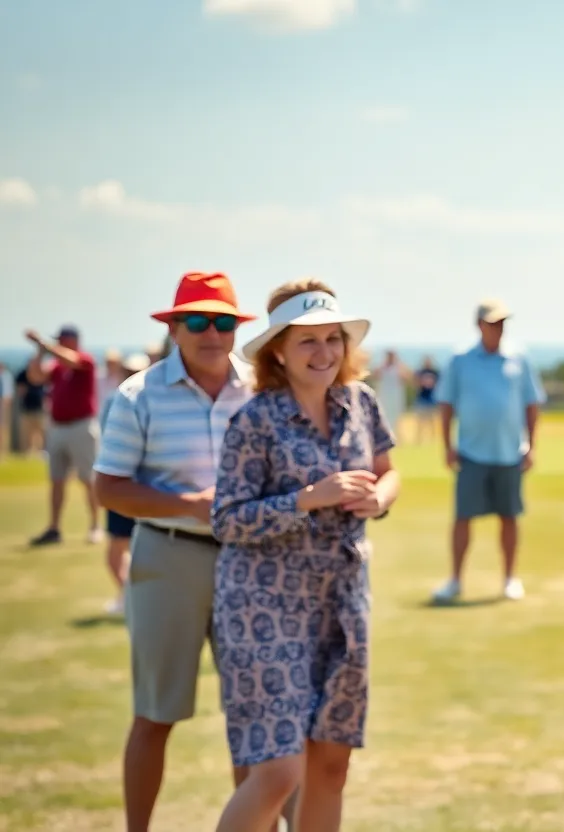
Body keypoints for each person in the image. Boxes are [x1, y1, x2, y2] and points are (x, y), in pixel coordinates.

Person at [210, 278, 398, 832]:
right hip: (264, 608)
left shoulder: (361, 402)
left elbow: (388, 472)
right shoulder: (254, 420)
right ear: (279, 352)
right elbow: (226, 520)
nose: (324, 354)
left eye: (332, 339)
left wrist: (376, 499)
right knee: (279, 770)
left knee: (332, 764)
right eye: (307, 342)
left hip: (342, 602)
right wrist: (308, 499)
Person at [92, 272, 264, 832]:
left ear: (238, 328)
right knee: (155, 714)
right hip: (168, 558)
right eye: (196, 321)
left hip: (251, 562)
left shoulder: (263, 388)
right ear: (173, 327)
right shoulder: (138, 395)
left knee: (254, 715)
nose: (210, 333)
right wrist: (191, 505)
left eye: (222, 322)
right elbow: (108, 487)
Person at [430, 299, 546, 604]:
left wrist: (532, 446)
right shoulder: (460, 359)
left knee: (509, 517)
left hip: (510, 453)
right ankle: (455, 580)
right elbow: (446, 404)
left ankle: (510, 578)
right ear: (479, 325)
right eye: (493, 322)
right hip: (470, 452)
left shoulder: (520, 358)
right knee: (463, 517)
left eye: (502, 322)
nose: (499, 328)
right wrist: (447, 446)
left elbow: (532, 404)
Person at [23, 324, 102, 546]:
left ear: (73, 340)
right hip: (58, 428)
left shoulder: (86, 360)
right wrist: (39, 352)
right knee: (57, 480)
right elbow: (36, 377)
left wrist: (43, 344)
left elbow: (71, 359)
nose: (58, 343)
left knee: (88, 479)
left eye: (62, 340)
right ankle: (54, 528)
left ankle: (96, 526)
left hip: (81, 426)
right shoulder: (56, 366)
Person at [97, 352, 152, 616]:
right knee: (118, 549)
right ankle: (128, 596)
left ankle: (135, 599)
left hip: (147, 489)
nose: (133, 374)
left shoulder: (152, 397)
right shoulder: (118, 400)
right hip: (125, 486)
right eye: (129, 370)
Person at [371, 348, 410, 438]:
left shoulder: (398, 367)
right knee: (384, 415)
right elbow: (375, 376)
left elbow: (406, 378)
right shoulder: (383, 367)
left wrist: (399, 365)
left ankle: (396, 436)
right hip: (384, 396)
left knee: (396, 416)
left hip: (396, 396)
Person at [14, 364, 46, 454]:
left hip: (39, 409)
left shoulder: (42, 373)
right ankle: (25, 453)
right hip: (27, 408)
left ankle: (39, 452)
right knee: (26, 434)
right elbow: (20, 390)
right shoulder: (23, 375)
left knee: (39, 433)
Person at [412, 355, 440, 444]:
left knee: (432, 421)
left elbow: (439, 385)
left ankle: (433, 439)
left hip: (431, 399)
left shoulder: (435, 372)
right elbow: (415, 383)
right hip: (422, 399)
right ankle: (419, 439)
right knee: (420, 421)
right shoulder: (420, 372)